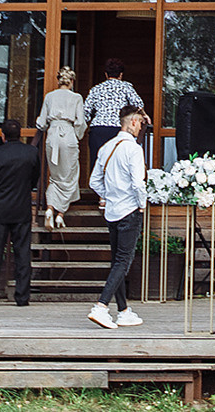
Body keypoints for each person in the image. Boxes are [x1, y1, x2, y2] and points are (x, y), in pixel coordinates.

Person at [86, 107, 148, 330]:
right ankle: (101, 306)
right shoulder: (134, 149)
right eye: (140, 123)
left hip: (112, 211)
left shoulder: (106, 147)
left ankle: (123, 311)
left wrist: (108, 195)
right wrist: (142, 204)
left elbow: (94, 181)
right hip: (129, 210)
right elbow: (138, 183)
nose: (140, 127)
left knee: (117, 261)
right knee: (123, 261)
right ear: (133, 122)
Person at [0, 127, 44, 306]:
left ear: (3, 135)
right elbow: (34, 178)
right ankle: (22, 296)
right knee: (22, 253)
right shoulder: (31, 153)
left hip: (0, 208)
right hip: (22, 207)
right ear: (20, 134)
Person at [81, 60, 146, 189]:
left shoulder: (96, 89)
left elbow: (85, 111)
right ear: (121, 75)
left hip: (98, 130)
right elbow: (139, 104)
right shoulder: (126, 87)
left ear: (106, 74)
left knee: (100, 163)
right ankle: (117, 192)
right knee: (119, 163)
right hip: (118, 129)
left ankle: (102, 196)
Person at [40, 68, 84, 230]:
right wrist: (77, 135)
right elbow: (80, 122)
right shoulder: (76, 97)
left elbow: (41, 122)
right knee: (70, 176)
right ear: (72, 81)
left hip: (52, 136)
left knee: (55, 177)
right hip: (68, 136)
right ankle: (60, 214)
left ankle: (50, 209)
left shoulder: (49, 96)